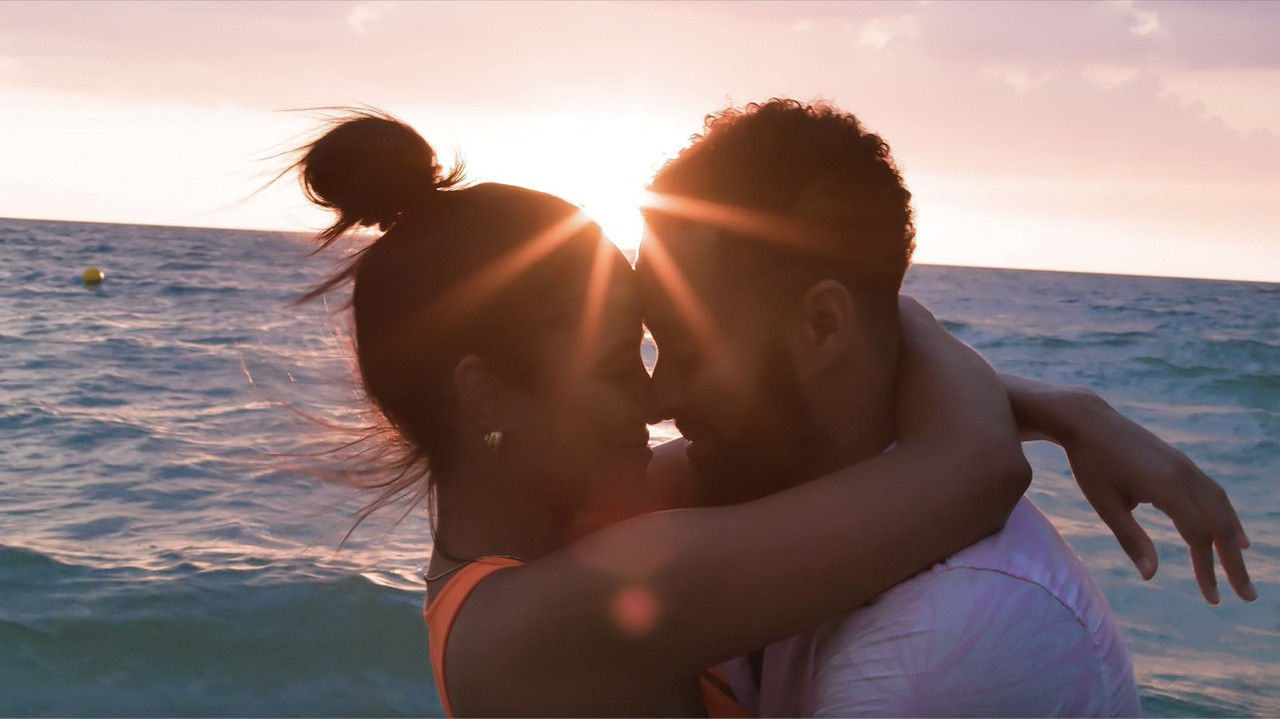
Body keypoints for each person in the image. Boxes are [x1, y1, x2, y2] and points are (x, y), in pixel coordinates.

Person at [287, 110, 1251, 717]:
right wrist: (1065, 404)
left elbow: (869, 425)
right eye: (623, 364)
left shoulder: (540, 557)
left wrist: (1040, 403)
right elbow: (970, 471)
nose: (658, 404)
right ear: (488, 393)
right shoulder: (554, 613)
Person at [639, 98, 1257, 716]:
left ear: (824, 326)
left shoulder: (938, 647)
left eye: (689, 352)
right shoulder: (770, 499)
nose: (656, 400)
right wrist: (1059, 406)